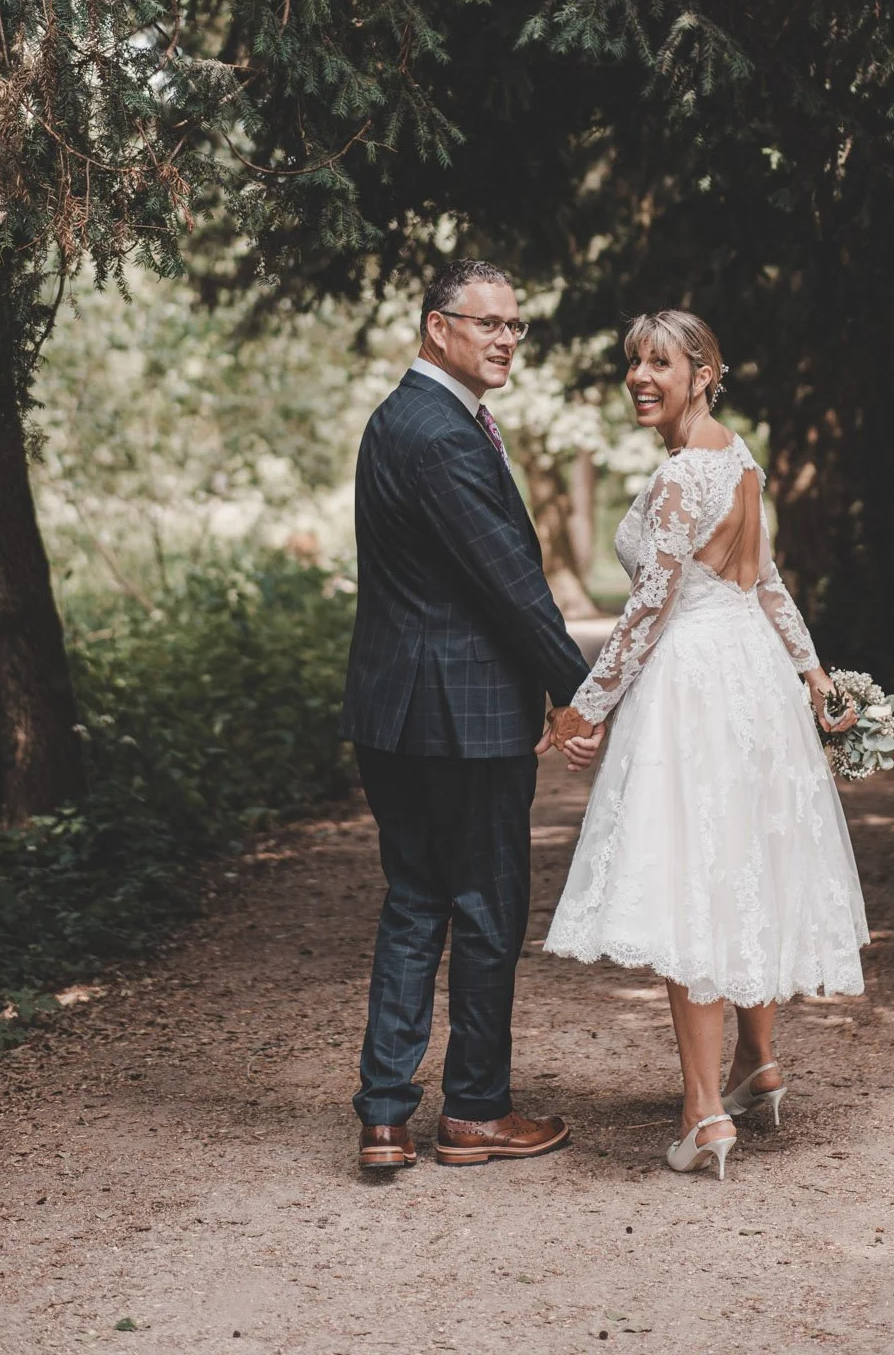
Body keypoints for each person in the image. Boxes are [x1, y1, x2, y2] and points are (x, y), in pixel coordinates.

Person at [543, 310, 868, 1179]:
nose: (639, 377)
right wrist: (808, 674)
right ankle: (755, 1061)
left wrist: (583, 709)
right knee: (744, 864)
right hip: (753, 678)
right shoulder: (740, 458)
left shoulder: (683, 474)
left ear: (702, 374)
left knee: (692, 875)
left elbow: (648, 608)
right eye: (632, 362)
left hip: (693, 682)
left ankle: (702, 1112)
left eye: (660, 362)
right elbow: (768, 587)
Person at [344, 258, 593, 1171]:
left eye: (514, 324)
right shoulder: (441, 433)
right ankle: (475, 1113)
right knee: (486, 910)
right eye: (487, 322)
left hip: (392, 712)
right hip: (465, 716)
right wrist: (578, 691)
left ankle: (384, 1117)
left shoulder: (397, 418)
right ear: (436, 326)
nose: (506, 339)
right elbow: (509, 584)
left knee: (415, 900)